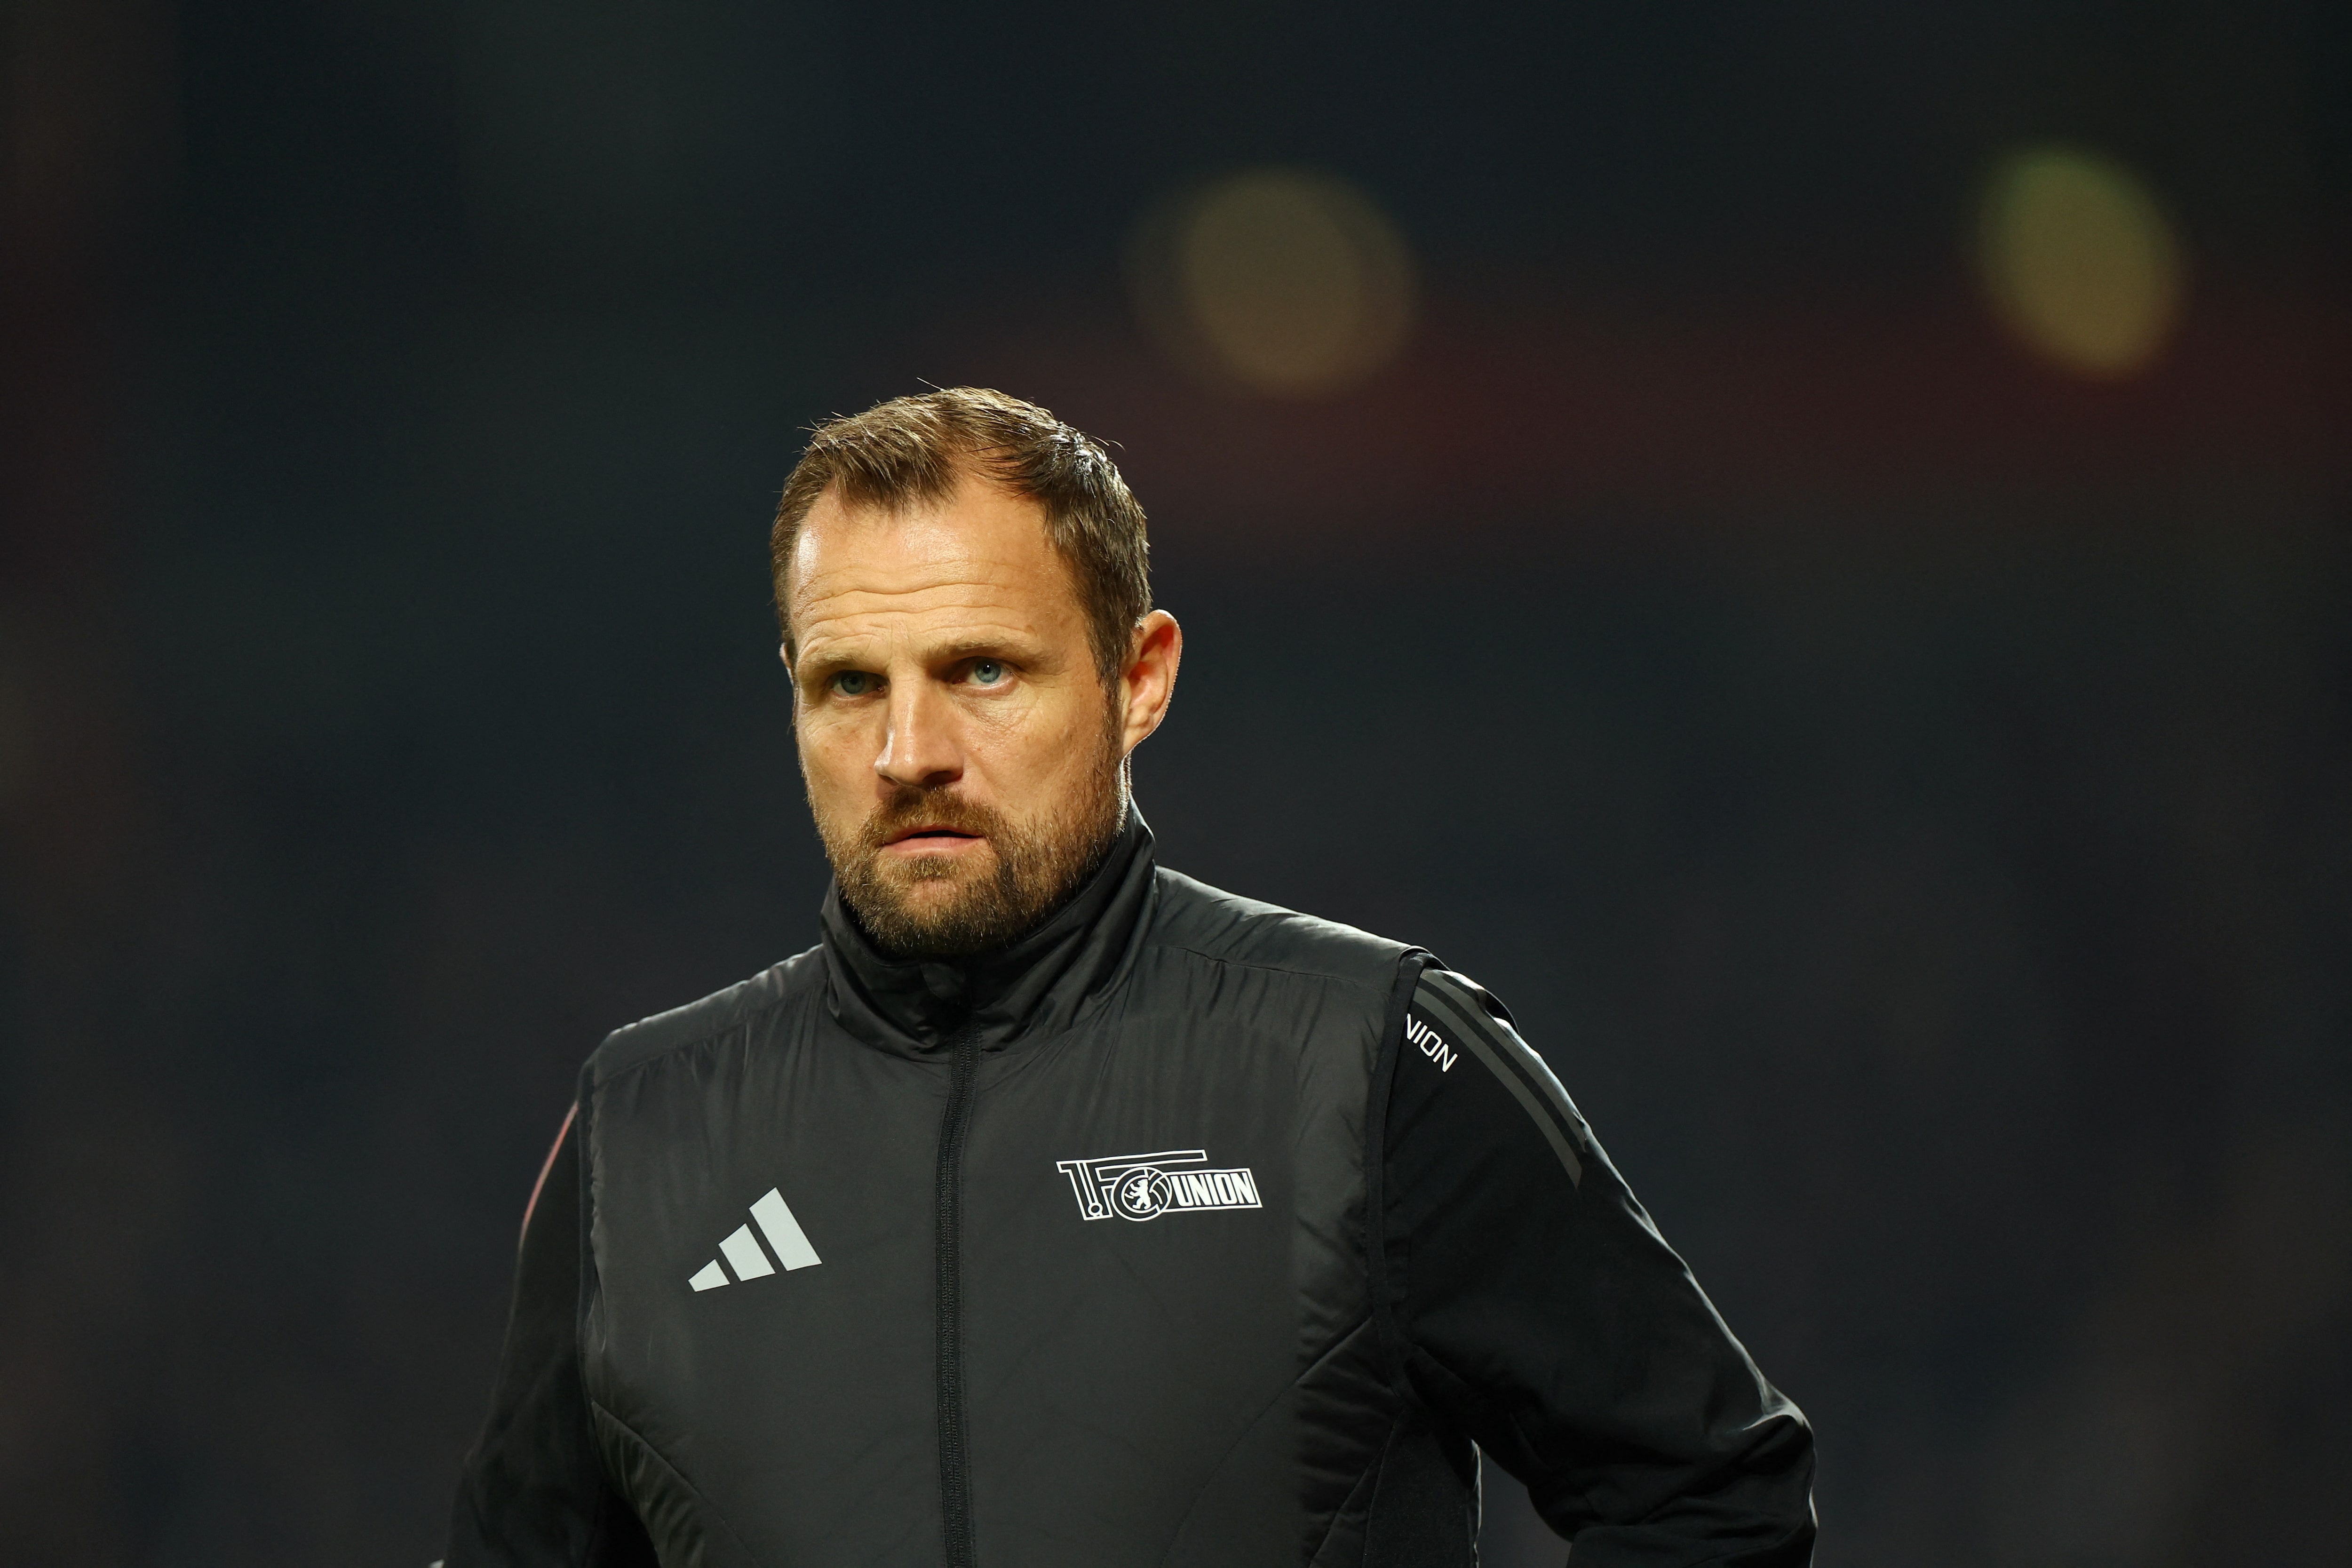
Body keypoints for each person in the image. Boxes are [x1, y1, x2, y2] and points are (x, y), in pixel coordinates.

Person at [443, 388, 1816, 1567]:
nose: (909, 752)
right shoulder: (642, 1131)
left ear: (1139, 677)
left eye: (983, 670)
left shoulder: (1370, 1064)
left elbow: (1706, 1494)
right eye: (850, 685)